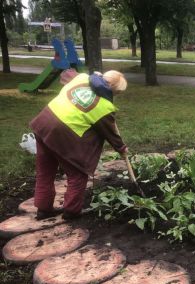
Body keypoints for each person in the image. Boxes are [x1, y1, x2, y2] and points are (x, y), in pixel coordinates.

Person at [29, 70, 129, 220]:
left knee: (45, 170)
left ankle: (43, 209)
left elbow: (65, 74)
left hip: (43, 124)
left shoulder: (81, 78)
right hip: (61, 134)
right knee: (78, 174)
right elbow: (110, 132)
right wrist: (121, 148)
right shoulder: (104, 107)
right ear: (114, 91)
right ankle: (71, 212)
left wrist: (92, 76)